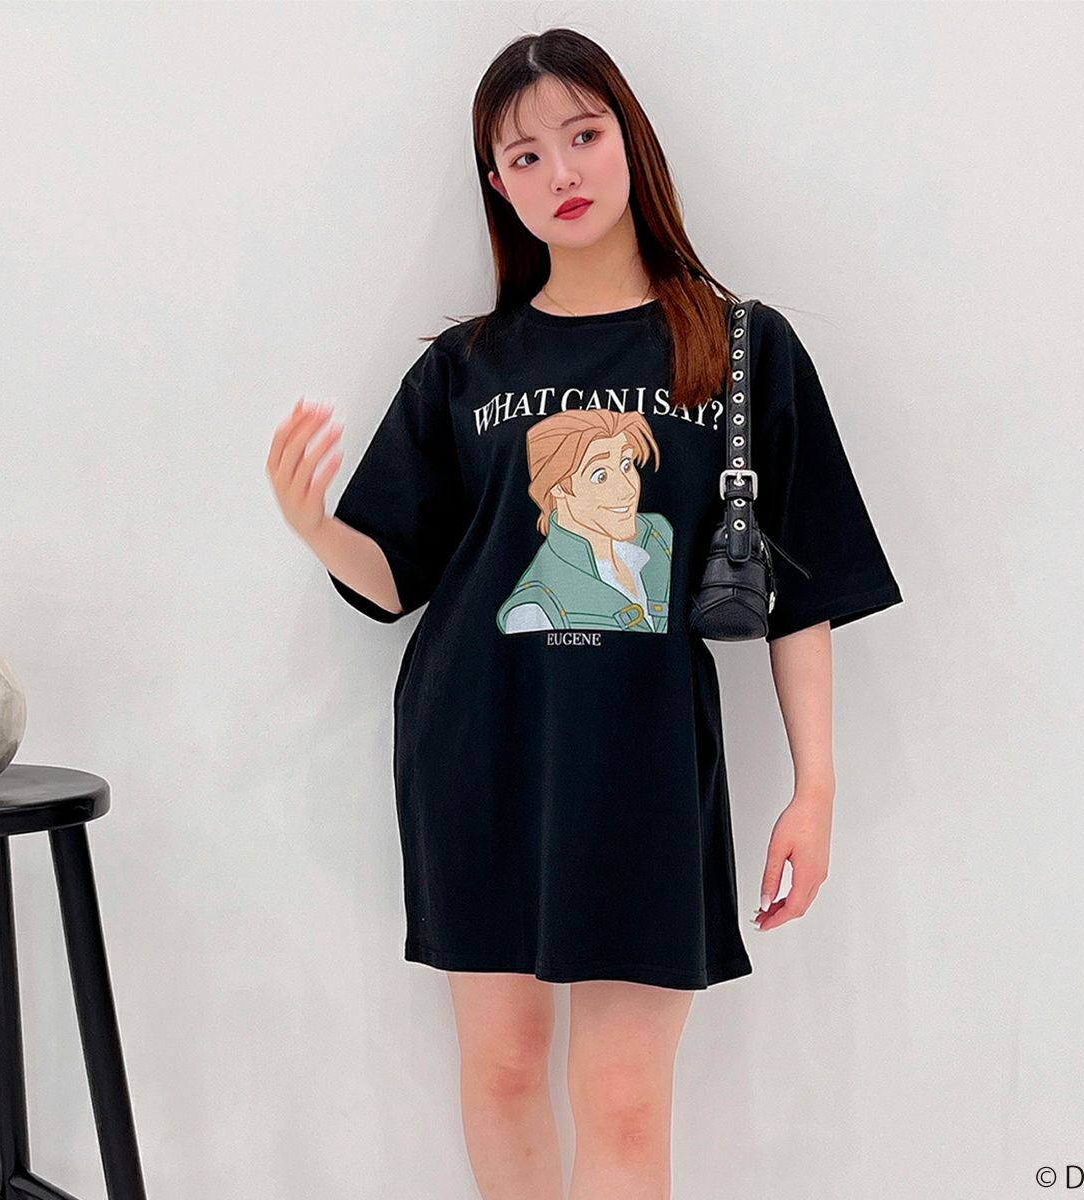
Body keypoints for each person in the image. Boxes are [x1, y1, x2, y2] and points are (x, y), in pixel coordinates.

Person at [266, 27, 902, 1200]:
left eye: (583, 134)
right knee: (505, 1070)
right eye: (524, 156)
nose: (560, 171)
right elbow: (393, 579)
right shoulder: (466, 366)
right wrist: (316, 527)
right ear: (497, 186)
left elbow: (805, 591)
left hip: (644, 765)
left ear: (629, 141)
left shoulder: (738, 345)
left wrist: (814, 788)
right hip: (478, 748)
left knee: (622, 1096)